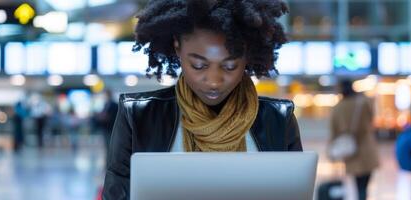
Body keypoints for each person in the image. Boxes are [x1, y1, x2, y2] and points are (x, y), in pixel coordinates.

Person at [103, 0, 300, 199]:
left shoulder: (278, 120)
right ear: (177, 47)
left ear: (247, 57)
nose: (214, 82)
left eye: (230, 66)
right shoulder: (138, 116)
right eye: (198, 65)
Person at [329, 79, 379, 200]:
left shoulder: (338, 108)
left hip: (350, 150)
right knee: (364, 185)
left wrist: (331, 150)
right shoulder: (363, 103)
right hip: (367, 147)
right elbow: (372, 119)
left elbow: (334, 131)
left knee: (358, 184)